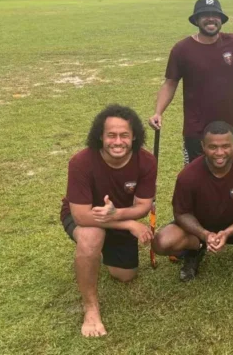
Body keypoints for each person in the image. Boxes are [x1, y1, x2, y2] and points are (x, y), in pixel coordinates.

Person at [60, 105, 157, 337]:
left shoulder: (146, 161)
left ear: (134, 136)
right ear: (100, 136)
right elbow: (82, 215)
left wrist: (116, 215)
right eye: (111, 135)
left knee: (125, 275)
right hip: (84, 217)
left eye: (124, 135)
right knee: (92, 235)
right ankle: (91, 309)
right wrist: (128, 224)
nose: (118, 141)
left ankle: (97, 253)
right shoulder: (80, 162)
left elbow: (143, 206)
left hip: (117, 215)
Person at [152, 121, 233, 281]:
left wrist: (228, 232)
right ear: (203, 146)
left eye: (225, 146)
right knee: (161, 242)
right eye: (213, 147)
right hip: (200, 230)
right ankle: (194, 250)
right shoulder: (188, 175)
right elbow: (181, 213)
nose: (219, 152)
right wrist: (204, 234)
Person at [149, 0, 233, 164]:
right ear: (196, 20)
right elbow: (170, 83)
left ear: (221, 19)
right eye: (205, 15)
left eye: (215, 14)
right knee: (197, 178)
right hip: (197, 129)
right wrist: (158, 112)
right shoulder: (182, 49)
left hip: (230, 126)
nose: (211, 18)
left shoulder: (232, 42)